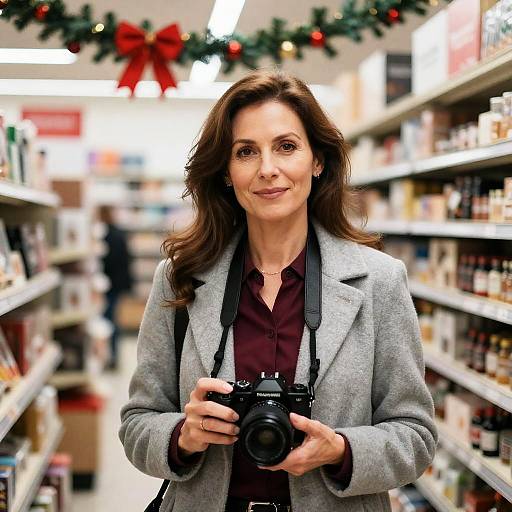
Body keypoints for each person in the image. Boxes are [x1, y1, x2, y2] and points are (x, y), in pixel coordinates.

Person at [119, 68, 437, 512]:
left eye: (286, 147)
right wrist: (182, 436)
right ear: (227, 172)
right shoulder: (180, 279)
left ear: (318, 160)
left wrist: (341, 449)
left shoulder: (379, 281)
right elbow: (137, 423)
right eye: (246, 152)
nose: (268, 170)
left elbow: (416, 437)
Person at [99, 205, 133, 370]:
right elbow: (127, 261)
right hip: (118, 285)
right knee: (112, 319)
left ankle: (111, 357)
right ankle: (113, 356)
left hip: (109, 285)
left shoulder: (106, 236)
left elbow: (109, 262)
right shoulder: (120, 233)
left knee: (109, 320)